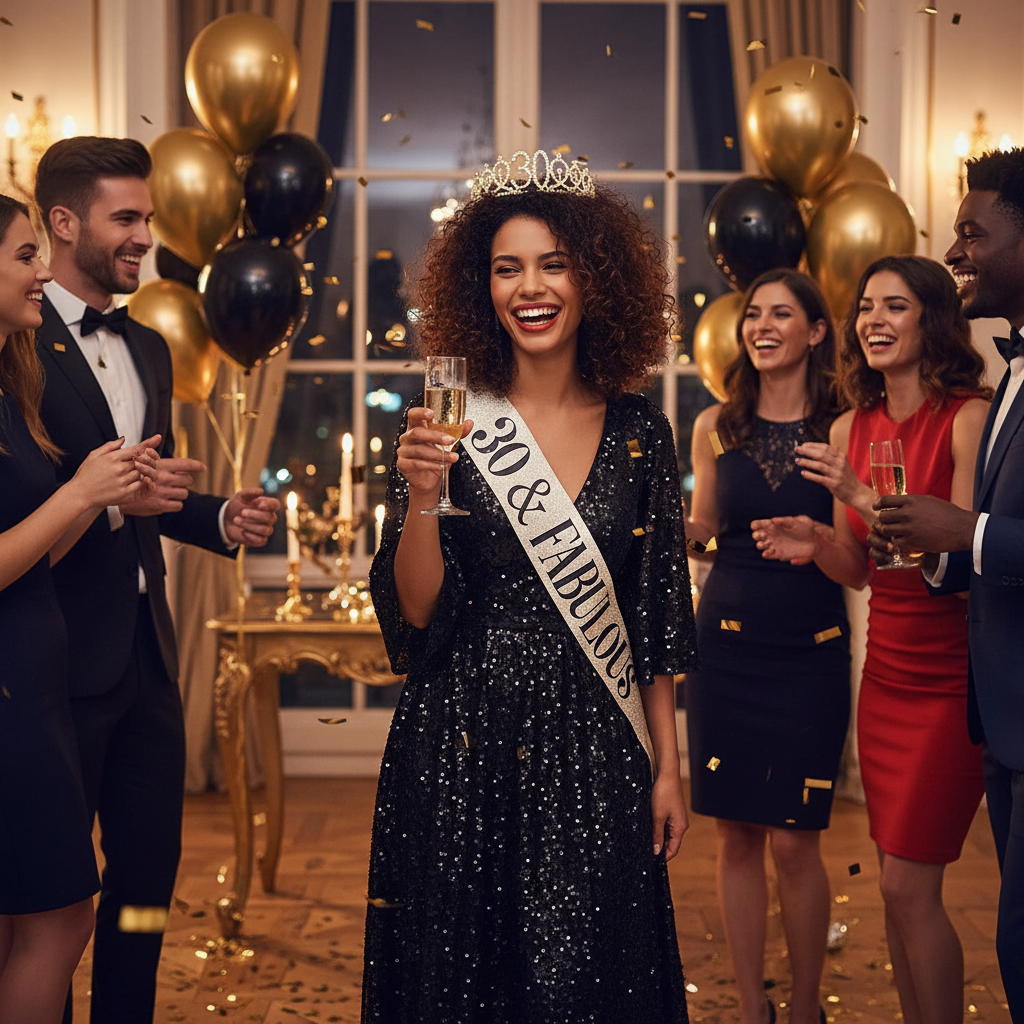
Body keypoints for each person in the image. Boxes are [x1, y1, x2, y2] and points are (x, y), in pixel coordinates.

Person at [363, 153, 699, 1023]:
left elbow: (656, 614)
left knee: (586, 975)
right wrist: (425, 502)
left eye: (553, 264)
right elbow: (417, 608)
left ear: (595, 279)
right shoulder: (446, 421)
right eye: (508, 268)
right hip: (460, 737)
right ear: (483, 288)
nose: (531, 288)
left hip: (595, 740)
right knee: (463, 976)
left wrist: (670, 764)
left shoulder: (641, 433)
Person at [31, 136, 280, 1024]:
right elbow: (47, 498)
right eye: (125, 218)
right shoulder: (16, 344)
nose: (145, 236)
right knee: (55, 891)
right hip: (54, 659)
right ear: (64, 223)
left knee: (146, 875)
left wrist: (217, 517)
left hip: (147, 659)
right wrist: (114, 498)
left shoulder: (148, 350)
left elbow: (145, 492)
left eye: (148, 217)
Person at [754, 255, 991, 1024]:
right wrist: (816, 541)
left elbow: (953, 560)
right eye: (866, 308)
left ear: (931, 319)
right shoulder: (852, 424)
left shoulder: (968, 417)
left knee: (904, 887)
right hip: (884, 677)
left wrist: (855, 493)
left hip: (952, 679)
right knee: (896, 882)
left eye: (895, 306)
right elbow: (864, 568)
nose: (875, 321)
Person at [867, 150, 1024, 1018]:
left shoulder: (969, 403)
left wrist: (970, 532)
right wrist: (937, 546)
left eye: (973, 233)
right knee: (1013, 934)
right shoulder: (1012, 378)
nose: (956, 252)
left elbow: (983, 529)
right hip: (997, 717)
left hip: (983, 702)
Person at [0, 194, 161, 1023]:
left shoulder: (10, 386)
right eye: (24, 257)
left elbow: (37, 548)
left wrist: (113, 498)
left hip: (37, 677)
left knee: (36, 918)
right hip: (11, 695)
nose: (40, 275)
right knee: (61, 919)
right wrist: (78, 496)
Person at [684, 269, 849, 1024]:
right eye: (754, 314)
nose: (762, 325)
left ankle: (808, 1005)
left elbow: (859, 566)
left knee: (794, 842)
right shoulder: (715, 423)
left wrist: (817, 540)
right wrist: (647, 526)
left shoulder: (848, 426)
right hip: (725, 646)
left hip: (810, 651)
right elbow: (705, 527)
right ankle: (754, 1007)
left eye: (782, 313)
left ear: (816, 332)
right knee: (738, 835)